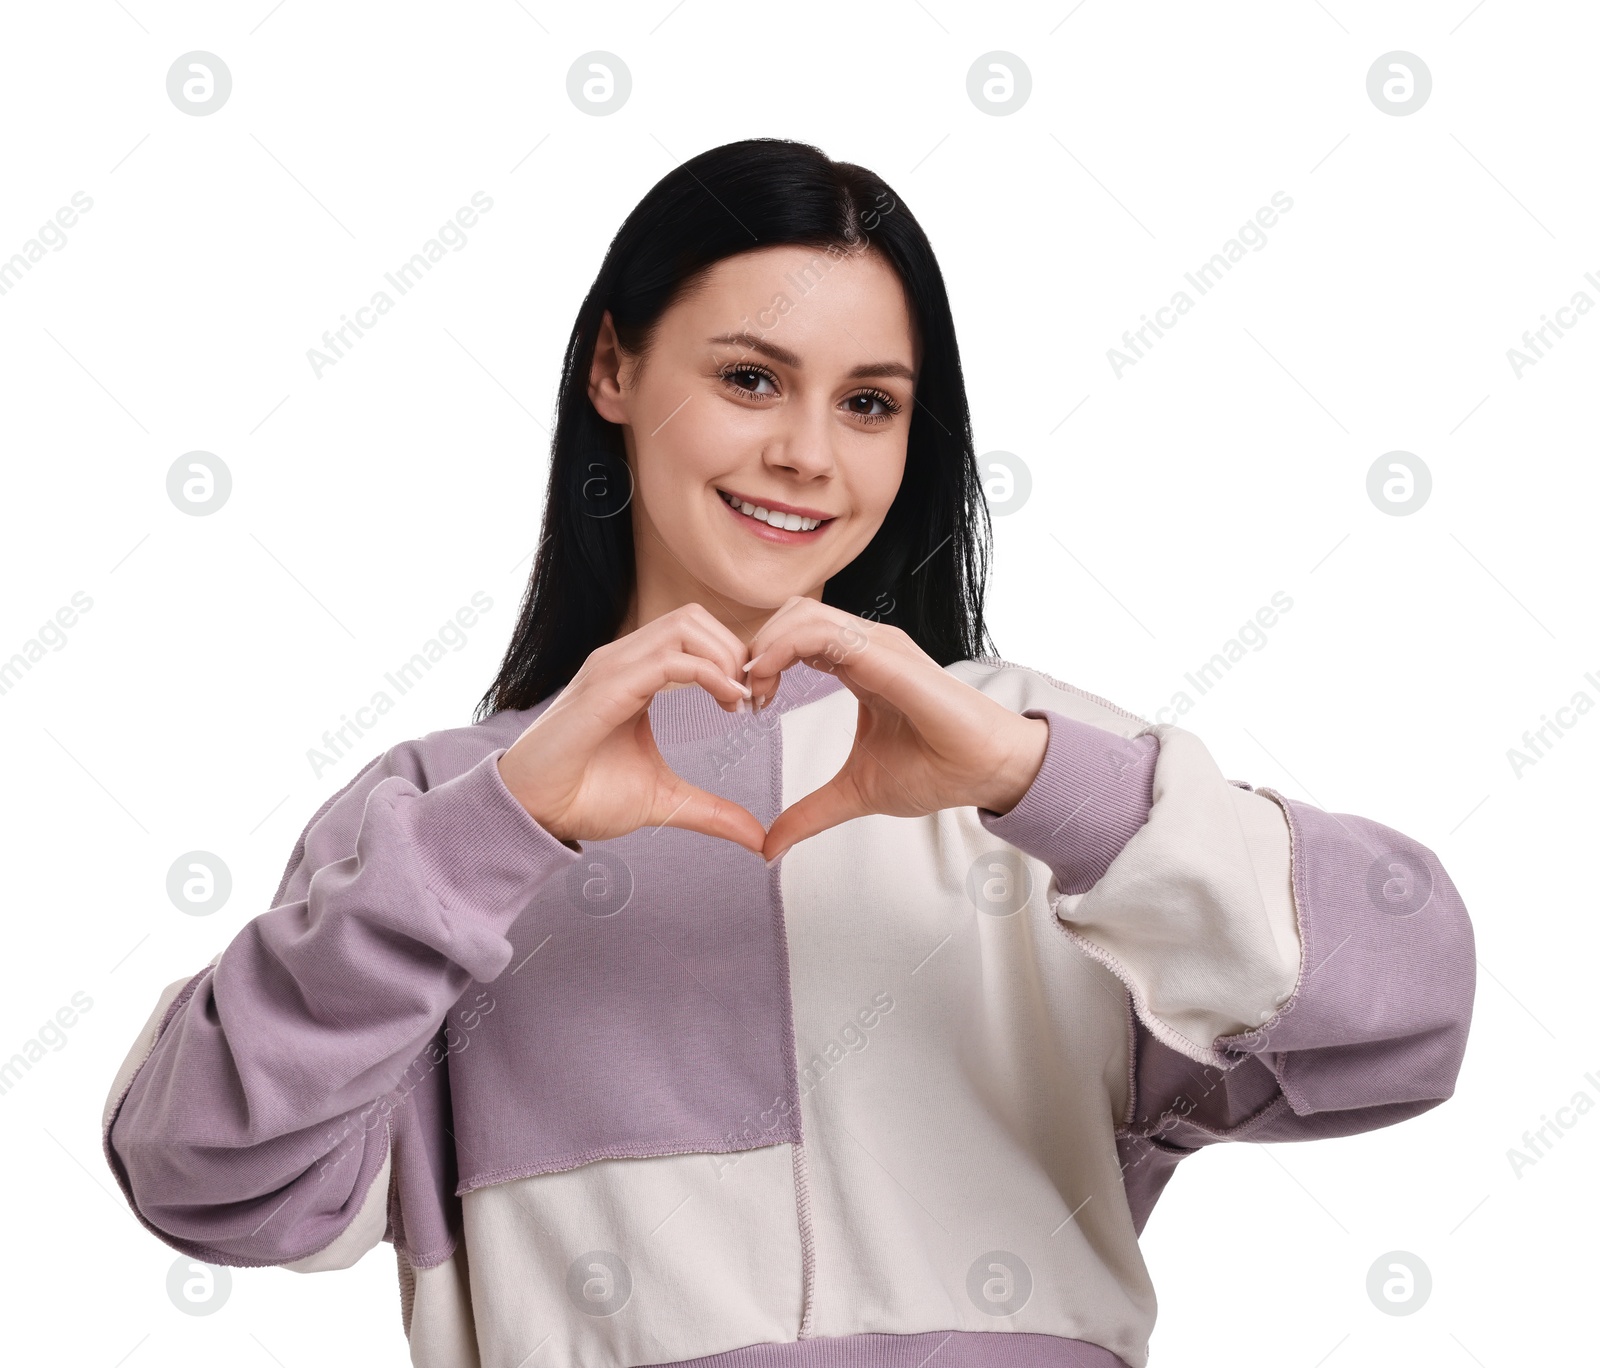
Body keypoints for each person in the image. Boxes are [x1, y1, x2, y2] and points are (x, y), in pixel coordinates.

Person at [102, 138, 1475, 1368]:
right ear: (615, 369)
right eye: (753, 378)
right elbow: (203, 1177)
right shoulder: (441, 817)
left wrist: (1036, 785)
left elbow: (1405, 1018)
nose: (809, 453)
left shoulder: (1026, 762)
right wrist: (500, 829)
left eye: (870, 404)